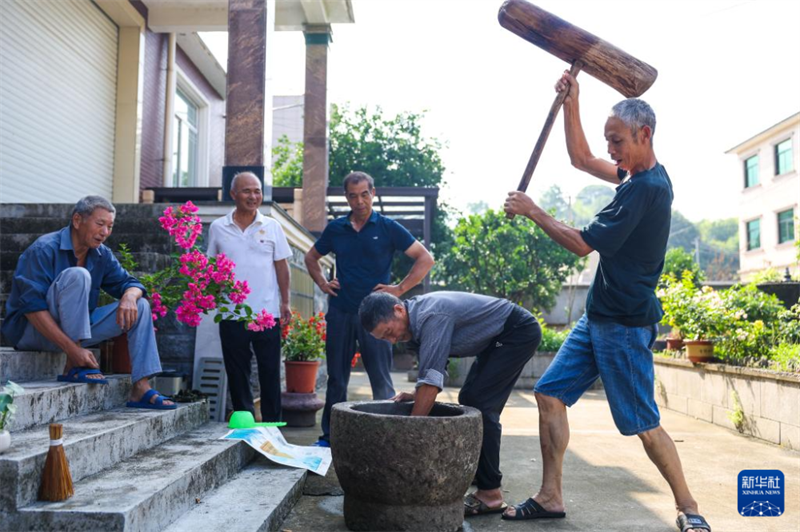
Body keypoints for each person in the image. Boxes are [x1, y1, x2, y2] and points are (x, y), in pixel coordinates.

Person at [502, 72, 710, 532]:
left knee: (642, 423)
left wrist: (533, 209)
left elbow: (580, 244)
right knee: (550, 394)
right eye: (608, 141)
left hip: (624, 326)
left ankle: (689, 508)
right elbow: (580, 158)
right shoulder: (635, 174)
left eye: (616, 141)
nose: (611, 150)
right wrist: (573, 101)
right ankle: (551, 495)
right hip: (599, 317)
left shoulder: (645, 190)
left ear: (644, 135)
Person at [358, 291, 542, 517]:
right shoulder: (412, 327)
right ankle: (480, 471)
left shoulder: (432, 316)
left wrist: (410, 437)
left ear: (398, 310)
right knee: (470, 400)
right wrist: (417, 395)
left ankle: (491, 493)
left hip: (517, 331)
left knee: (482, 405)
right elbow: (430, 372)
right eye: (384, 339)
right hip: (495, 339)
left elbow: (431, 382)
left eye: (389, 332)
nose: (392, 340)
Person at [2, 196, 174, 409]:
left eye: (110, 226)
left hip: (74, 334)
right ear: (77, 220)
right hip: (33, 333)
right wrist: (73, 351)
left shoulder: (101, 255)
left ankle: (141, 387)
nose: (105, 232)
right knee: (78, 275)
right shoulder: (44, 249)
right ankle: (74, 363)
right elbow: (32, 308)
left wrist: (129, 296)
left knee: (141, 305)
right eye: (100, 224)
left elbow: (131, 283)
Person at [305, 171, 435, 447]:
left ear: (373, 194)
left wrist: (398, 290)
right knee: (337, 379)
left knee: (380, 379)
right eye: (354, 196)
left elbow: (425, 258)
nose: (360, 201)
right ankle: (331, 436)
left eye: (365, 194)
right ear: (347, 198)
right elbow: (311, 257)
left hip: (378, 317)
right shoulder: (336, 229)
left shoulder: (387, 227)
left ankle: (386, 435)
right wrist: (322, 282)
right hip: (341, 310)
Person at [207, 172, 292, 422]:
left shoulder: (272, 226)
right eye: (247, 191)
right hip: (231, 312)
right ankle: (244, 421)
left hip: (266, 313)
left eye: (257, 191)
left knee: (269, 370)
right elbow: (212, 268)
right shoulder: (218, 227)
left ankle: (272, 424)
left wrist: (285, 302)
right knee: (237, 371)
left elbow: (282, 267)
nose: (253, 196)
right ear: (233, 194)